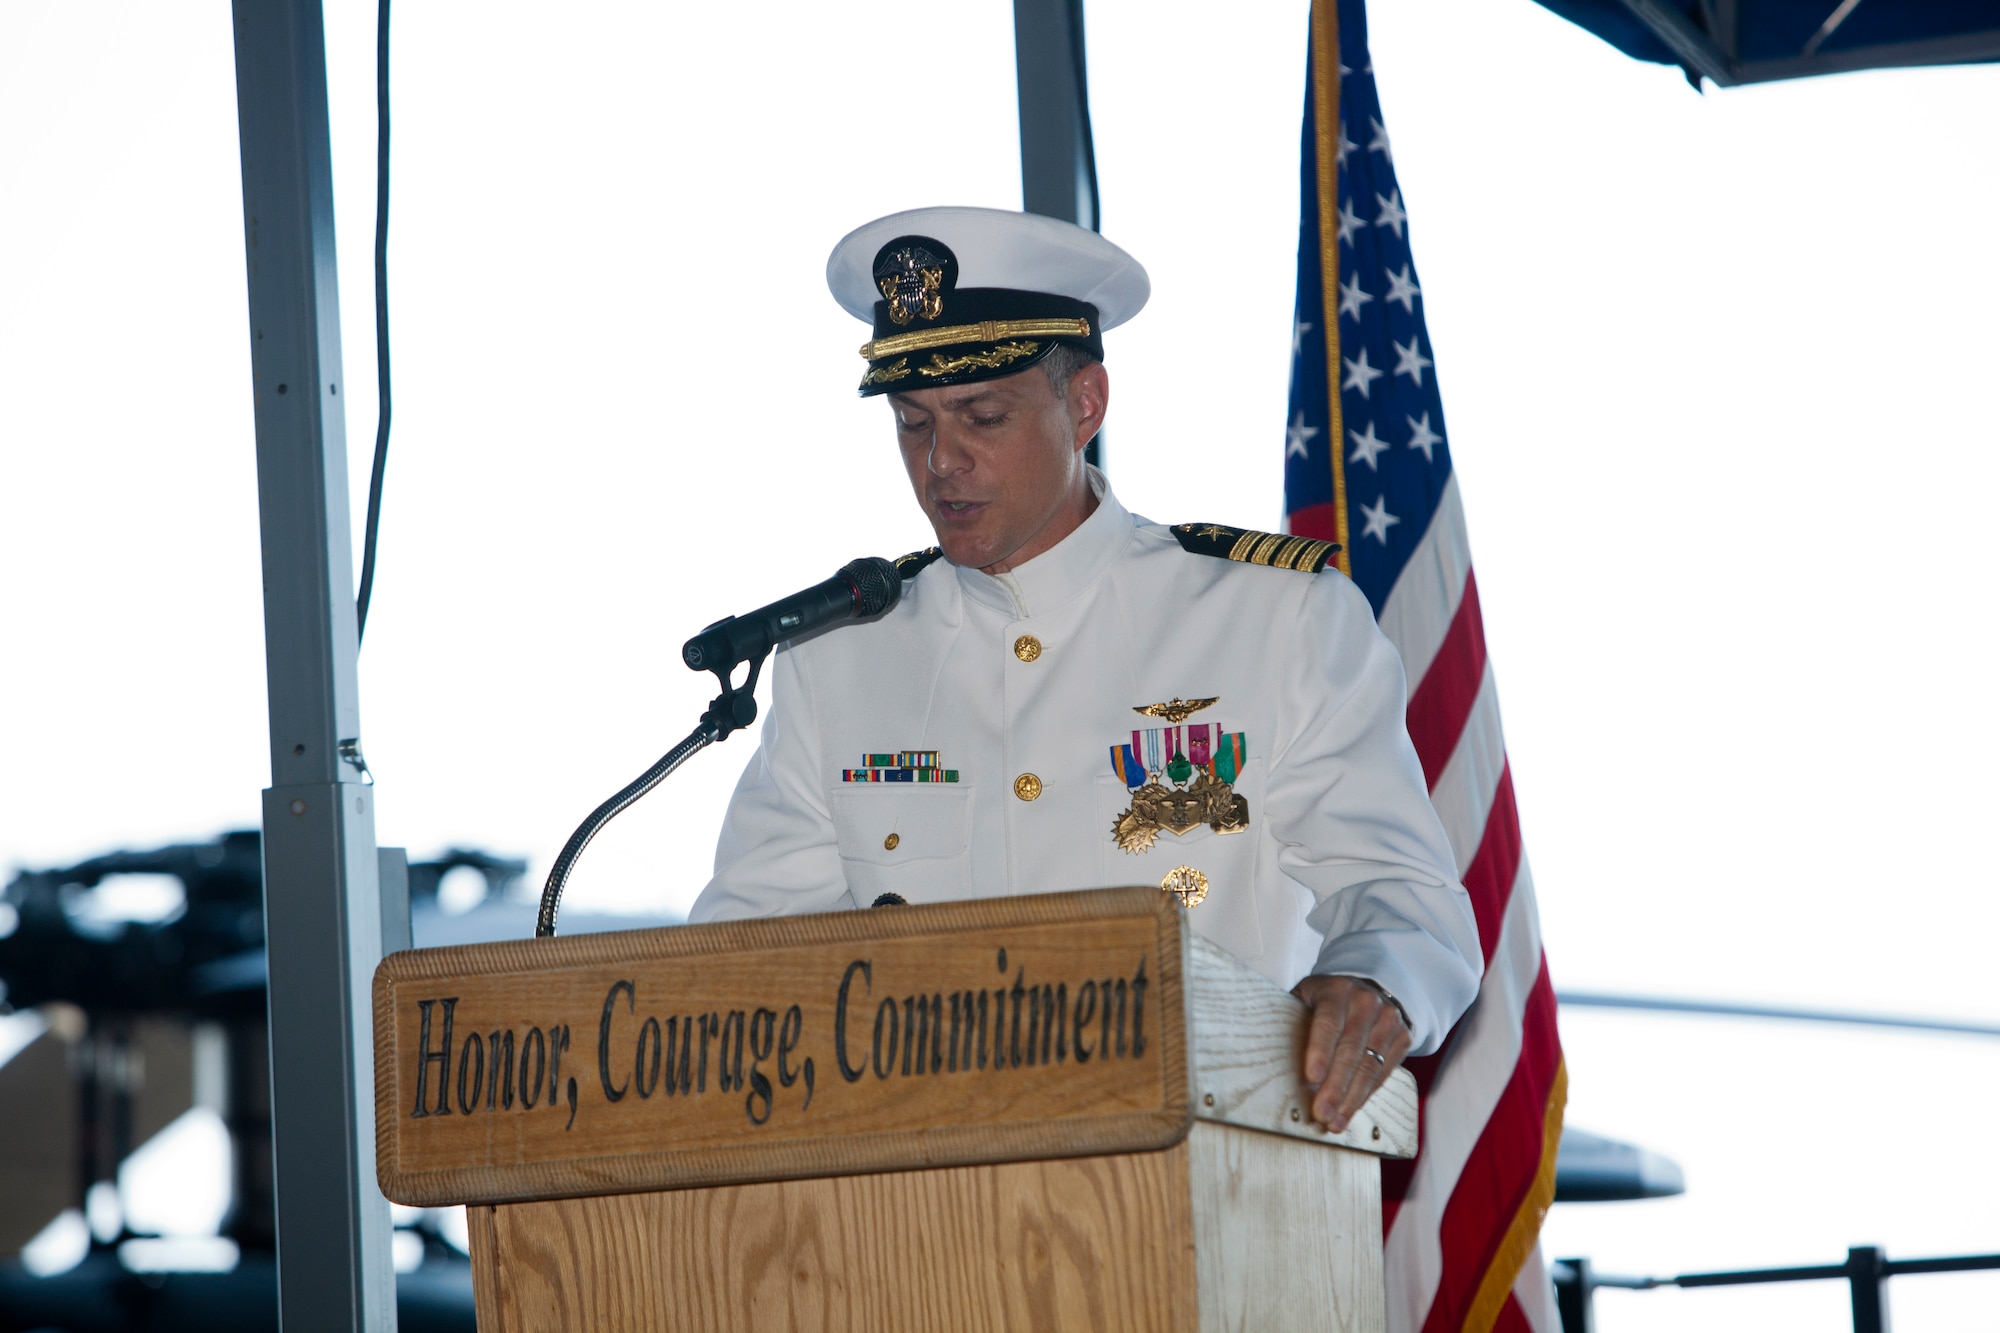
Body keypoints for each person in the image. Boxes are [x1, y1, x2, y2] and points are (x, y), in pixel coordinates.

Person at [690, 206, 1479, 1133]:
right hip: (913, 1217)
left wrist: (1369, 976)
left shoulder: (1276, 619)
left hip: (1205, 1189)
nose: (942, 461)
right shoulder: (838, 659)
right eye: (912, 423)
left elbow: (1405, 894)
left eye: (982, 415)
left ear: (1087, 404)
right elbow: (731, 969)